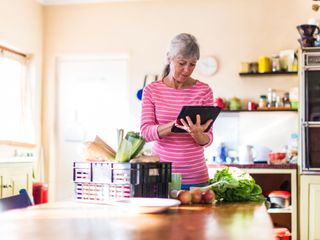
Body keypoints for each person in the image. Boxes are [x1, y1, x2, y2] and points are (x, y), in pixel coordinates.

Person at [140, 33, 214, 190]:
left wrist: (198, 134)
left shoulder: (204, 91)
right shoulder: (152, 90)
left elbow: (208, 139)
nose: (187, 70)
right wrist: (175, 124)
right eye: (182, 63)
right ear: (169, 58)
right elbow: (145, 133)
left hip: (196, 178)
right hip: (162, 176)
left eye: (192, 64)